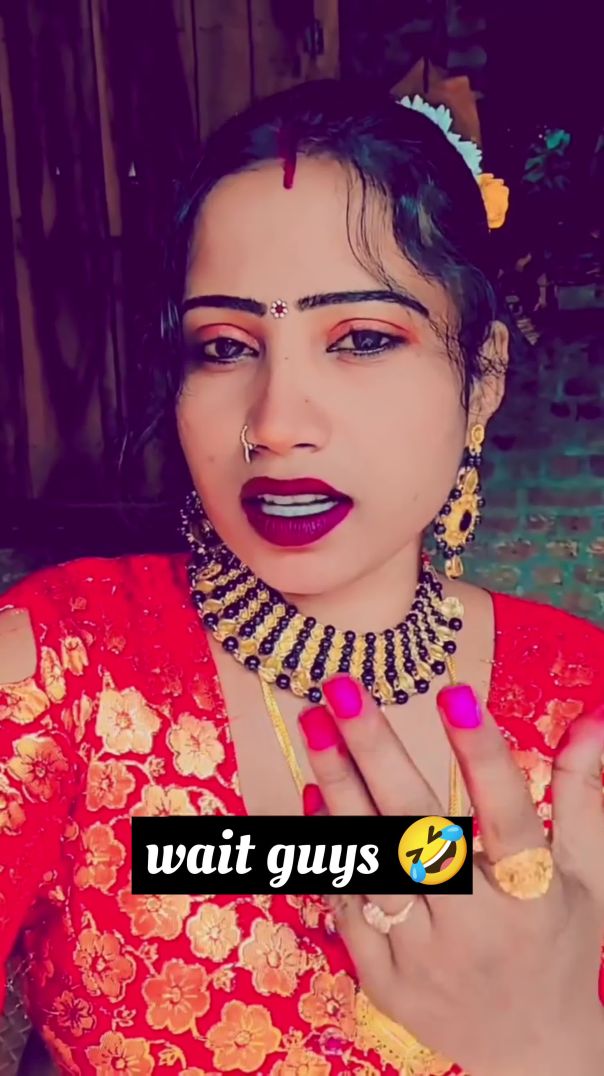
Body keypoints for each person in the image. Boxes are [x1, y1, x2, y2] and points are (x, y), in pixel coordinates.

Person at [0, 79, 602, 1076]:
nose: (275, 423)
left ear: (483, 376)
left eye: (362, 338)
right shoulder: (59, 671)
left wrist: (554, 1047)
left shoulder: (581, 708)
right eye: (224, 346)